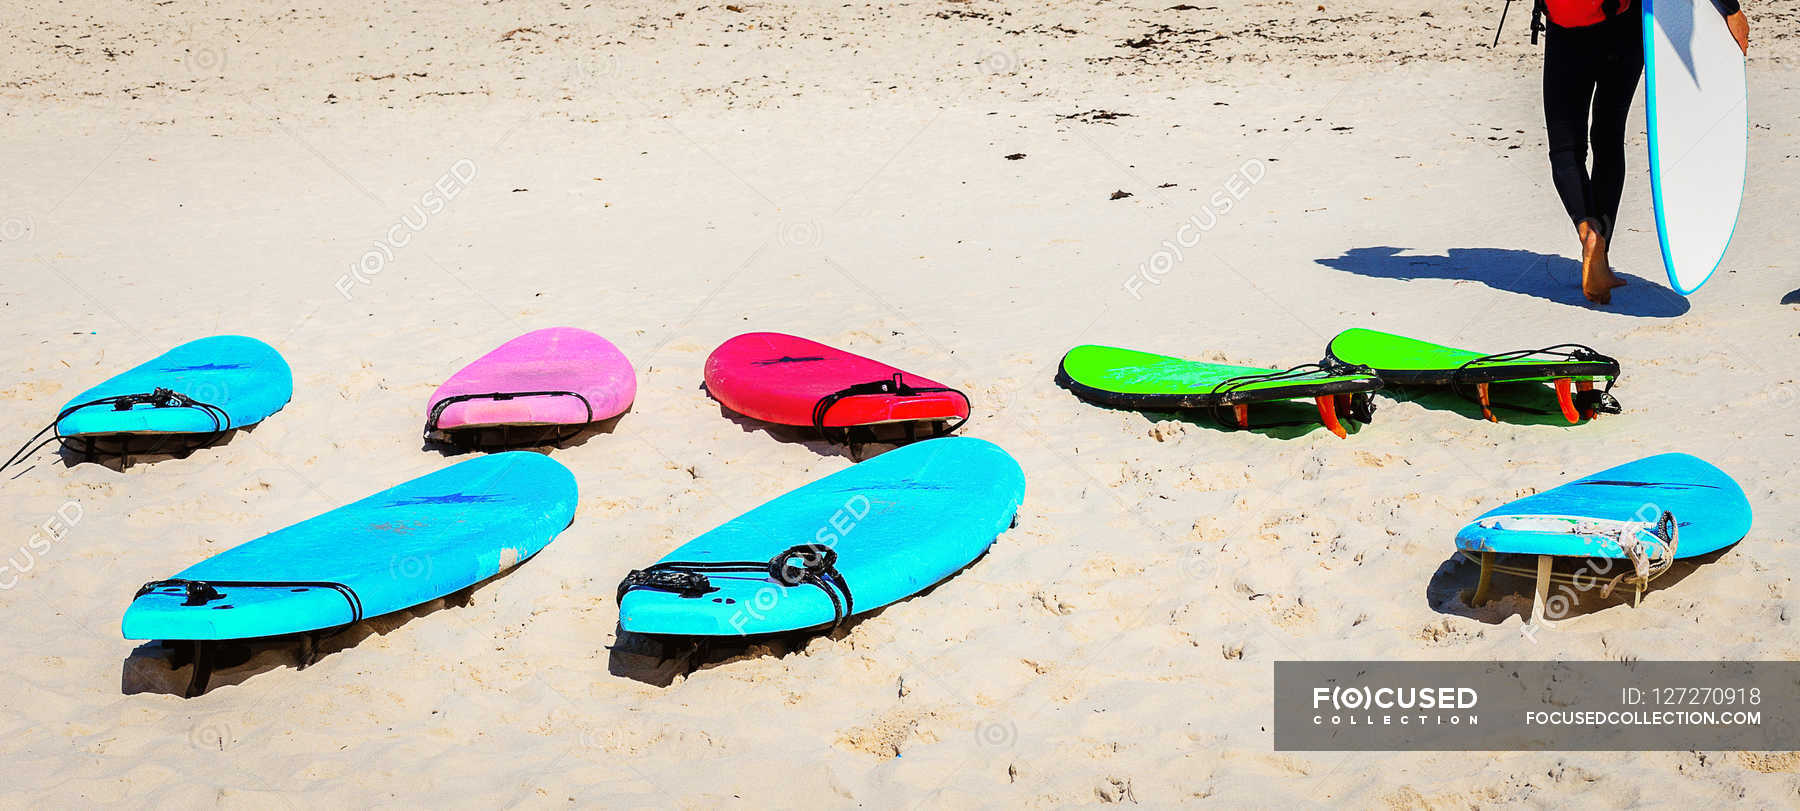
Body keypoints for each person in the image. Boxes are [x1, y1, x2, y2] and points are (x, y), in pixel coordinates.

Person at [1539, 0, 1750, 304]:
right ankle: (1601, 251)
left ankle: (1589, 234)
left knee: (1565, 149)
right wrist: (1731, 10)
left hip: (1565, 31)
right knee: (1608, 137)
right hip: (1622, 28)